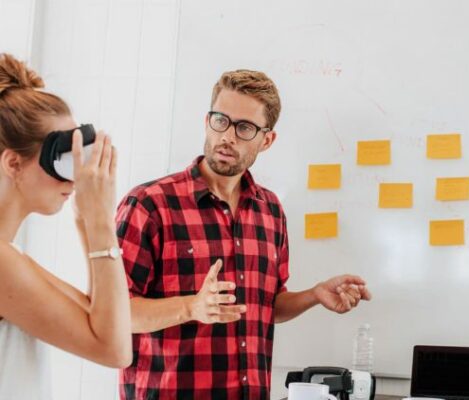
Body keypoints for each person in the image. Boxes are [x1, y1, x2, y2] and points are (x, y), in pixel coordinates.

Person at [116, 68, 372, 399]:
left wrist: (313, 295)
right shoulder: (149, 205)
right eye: (220, 120)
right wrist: (191, 307)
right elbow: (113, 312)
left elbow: (266, 305)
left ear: (267, 140)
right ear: (207, 121)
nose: (228, 136)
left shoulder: (270, 210)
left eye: (245, 127)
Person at [0, 53, 132, 398]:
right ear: (13, 163)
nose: (74, 177)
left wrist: (86, 223)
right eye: (62, 159)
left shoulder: (11, 257)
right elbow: (115, 349)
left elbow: (99, 316)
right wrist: (101, 221)